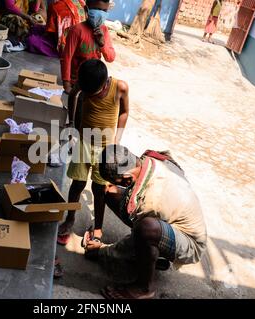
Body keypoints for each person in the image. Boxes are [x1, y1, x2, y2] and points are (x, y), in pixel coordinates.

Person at [83, 145, 207, 299]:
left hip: (190, 243)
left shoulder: (152, 201)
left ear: (127, 179)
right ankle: (151, 254)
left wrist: (102, 250)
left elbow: (134, 238)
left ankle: (145, 288)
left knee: (146, 229)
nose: (119, 184)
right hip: (169, 215)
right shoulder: (150, 158)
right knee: (110, 191)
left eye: (120, 182)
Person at [57, 59, 129, 246]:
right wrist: (72, 122)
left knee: (99, 189)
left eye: (93, 94)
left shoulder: (120, 87)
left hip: (105, 148)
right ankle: (70, 218)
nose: (90, 97)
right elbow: (72, 95)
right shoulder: (84, 84)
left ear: (105, 82)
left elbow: (124, 112)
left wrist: (117, 140)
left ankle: (98, 227)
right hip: (84, 142)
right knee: (77, 184)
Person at [60, 0, 116, 94]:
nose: (101, 14)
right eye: (98, 9)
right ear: (87, 9)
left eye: (104, 11)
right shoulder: (76, 30)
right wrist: (67, 85)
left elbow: (110, 58)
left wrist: (102, 44)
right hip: (77, 82)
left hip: (95, 82)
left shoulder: (104, 30)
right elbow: (66, 58)